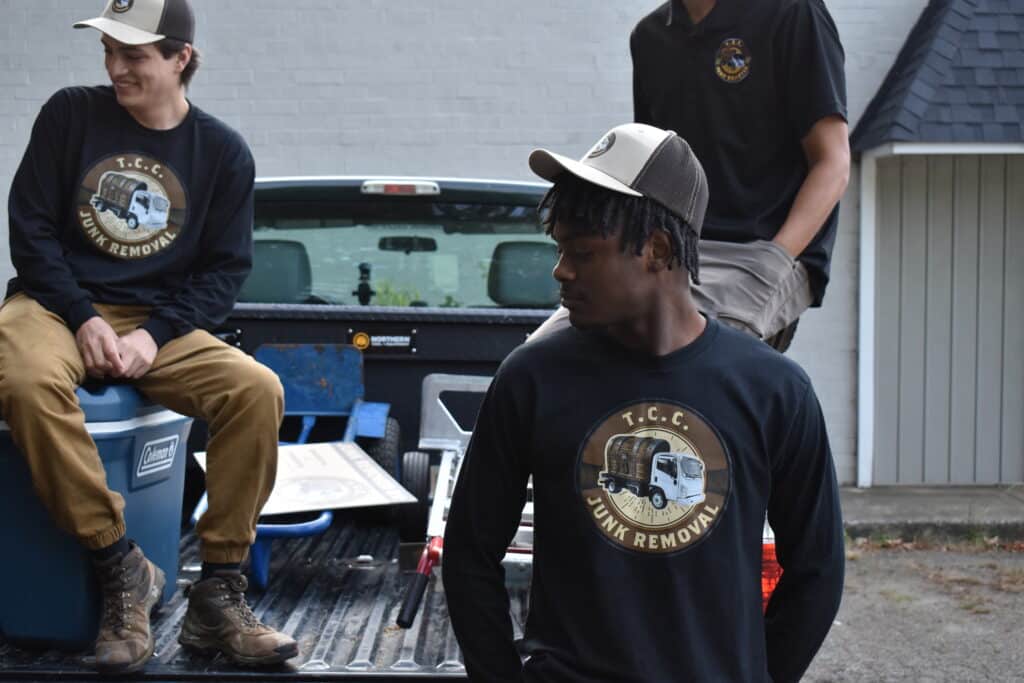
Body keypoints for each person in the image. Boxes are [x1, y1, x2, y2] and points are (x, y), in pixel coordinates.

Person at [443, 123, 844, 682]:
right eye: (560, 248)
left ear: (657, 250)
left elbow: (817, 570)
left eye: (583, 252)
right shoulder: (532, 378)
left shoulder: (773, 390)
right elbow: (469, 552)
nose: (561, 270)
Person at [0, 0, 297, 673]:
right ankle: (120, 565)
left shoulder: (221, 153)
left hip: (157, 322)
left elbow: (224, 273)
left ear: (180, 58)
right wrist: (83, 316)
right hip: (54, 307)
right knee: (23, 380)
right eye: (108, 52)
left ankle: (217, 598)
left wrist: (155, 335)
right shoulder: (70, 114)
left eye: (133, 55)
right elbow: (31, 229)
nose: (115, 68)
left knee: (257, 390)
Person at [532, 0, 850, 352]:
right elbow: (655, 173)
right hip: (671, 251)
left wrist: (776, 257)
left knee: (697, 362)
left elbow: (833, 162)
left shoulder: (792, 11)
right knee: (542, 359)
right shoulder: (650, 36)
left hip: (761, 250)